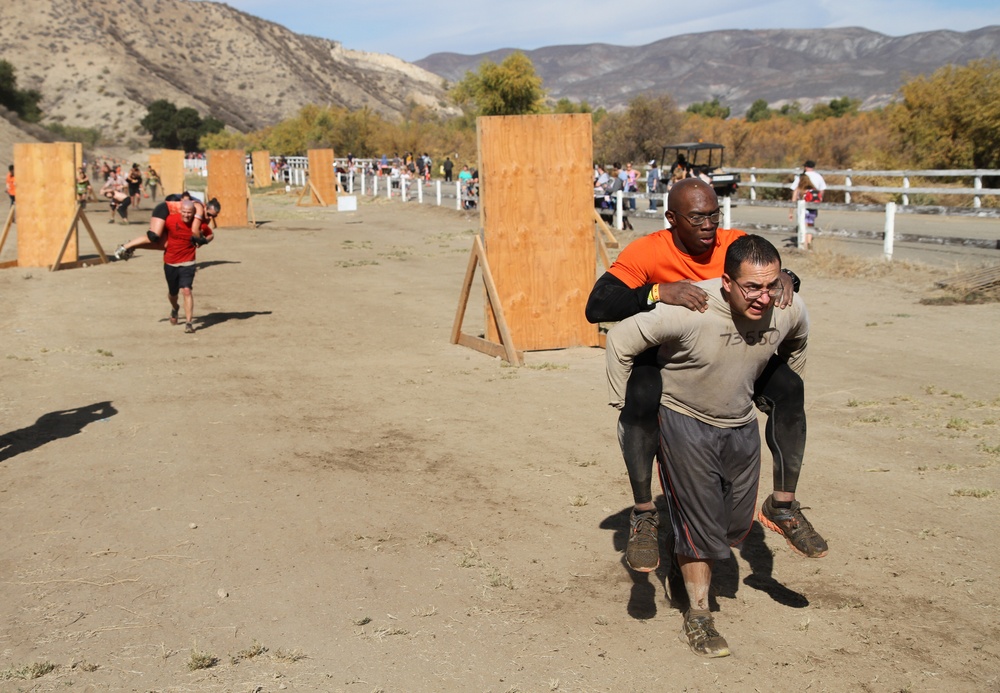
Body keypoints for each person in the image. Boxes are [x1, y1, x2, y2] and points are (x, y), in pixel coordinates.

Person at [585, 178, 826, 575]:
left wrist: (789, 279)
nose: (708, 224)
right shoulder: (648, 250)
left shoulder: (733, 244)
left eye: (714, 214)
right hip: (665, 356)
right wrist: (658, 291)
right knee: (640, 397)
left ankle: (783, 505)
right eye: (696, 216)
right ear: (672, 219)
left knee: (790, 389)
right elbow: (597, 306)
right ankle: (644, 514)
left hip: (732, 351)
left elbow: (765, 274)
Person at [605, 234, 809, 657]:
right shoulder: (688, 314)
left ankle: (684, 558)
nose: (763, 297)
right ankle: (699, 617)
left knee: (732, 527)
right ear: (727, 283)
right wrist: (627, 404)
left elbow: (798, 340)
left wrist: (777, 387)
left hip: (739, 423)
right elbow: (619, 340)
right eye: (751, 287)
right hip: (684, 420)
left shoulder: (787, 310)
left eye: (771, 285)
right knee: (701, 527)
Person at [159, 199, 212, 333]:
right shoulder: (170, 220)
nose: (187, 215)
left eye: (189, 213)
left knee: (187, 290)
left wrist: (204, 241)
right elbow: (158, 232)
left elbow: (211, 234)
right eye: (184, 212)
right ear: (180, 210)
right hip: (170, 261)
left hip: (188, 262)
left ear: (194, 212)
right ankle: (175, 308)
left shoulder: (198, 223)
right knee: (173, 293)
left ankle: (189, 323)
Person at [114, 194, 219, 260]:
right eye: (209, 214)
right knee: (154, 236)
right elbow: (194, 230)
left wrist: (204, 241)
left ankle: (133, 246)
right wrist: (199, 239)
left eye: (213, 216)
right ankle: (123, 247)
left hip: (170, 217)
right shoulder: (199, 208)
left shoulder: (205, 217)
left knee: (165, 245)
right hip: (164, 209)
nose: (210, 217)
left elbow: (210, 234)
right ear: (205, 207)